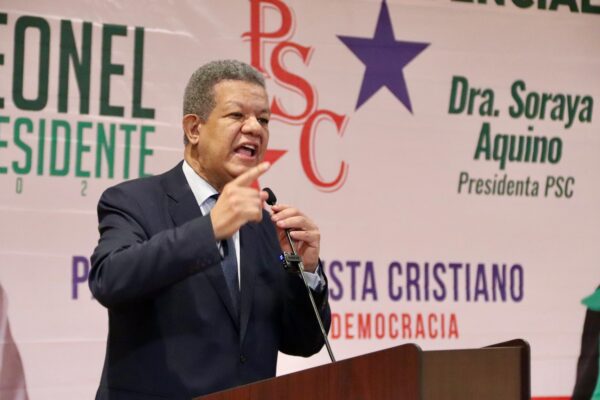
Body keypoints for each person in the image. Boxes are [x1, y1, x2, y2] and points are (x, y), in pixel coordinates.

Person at [89, 60, 330, 400]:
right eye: (237, 115)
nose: (255, 128)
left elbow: (303, 342)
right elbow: (109, 279)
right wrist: (210, 229)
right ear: (194, 129)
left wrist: (304, 272)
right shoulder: (134, 201)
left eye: (263, 119)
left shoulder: (266, 227)